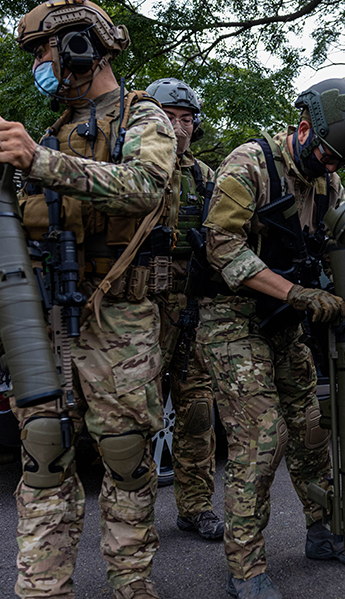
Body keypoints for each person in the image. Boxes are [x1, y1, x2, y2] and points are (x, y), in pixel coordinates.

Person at [0, 2, 176, 598]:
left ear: (79, 47)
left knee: (124, 458)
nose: (40, 64)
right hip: (47, 317)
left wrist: (40, 162)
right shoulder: (48, 134)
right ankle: (43, 589)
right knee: (42, 454)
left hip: (118, 316)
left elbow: (146, 185)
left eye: (43, 51)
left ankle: (132, 585)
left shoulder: (143, 117)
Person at [199, 78, 345, 599]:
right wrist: (297, 294)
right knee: (262, 436)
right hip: (230, 320)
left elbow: (341, 247)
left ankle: (321, 531)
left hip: (282, 323)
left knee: (308, 427)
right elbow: (222, 247)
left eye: (339, 160)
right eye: (326, 153)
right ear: (303, 128)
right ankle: (246, 567)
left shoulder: (328, 183)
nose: (332, 166)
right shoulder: (249, 164)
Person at [144, 77, 223, 541]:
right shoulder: (130, 168)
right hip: (142, 310)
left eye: (187, 119)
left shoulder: (205, 177)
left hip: (191, 307)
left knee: (196, 412)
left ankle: (196, 507)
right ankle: (133, 519)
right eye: (170, 118)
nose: (179, 128)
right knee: (138, 415)